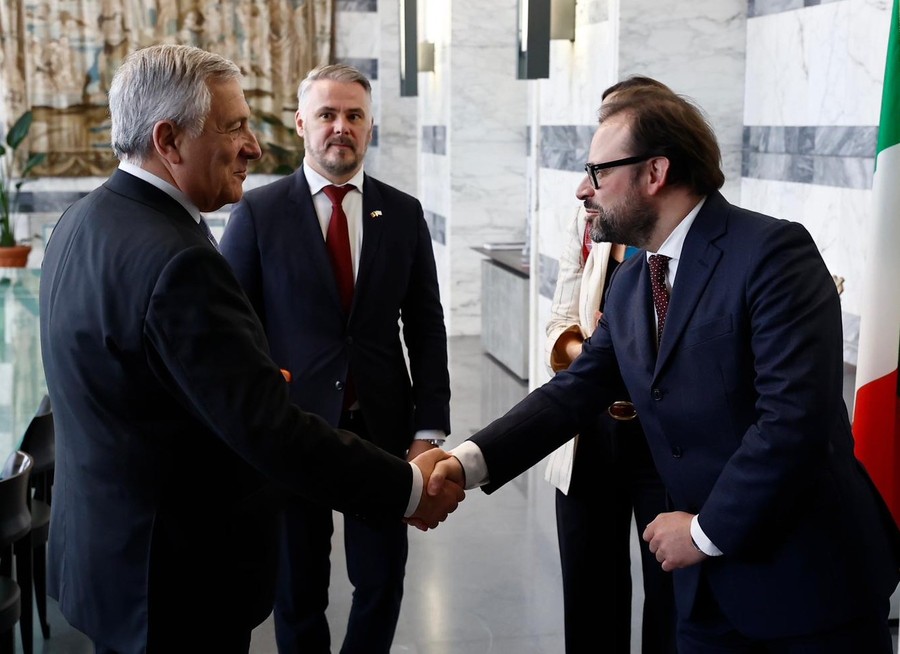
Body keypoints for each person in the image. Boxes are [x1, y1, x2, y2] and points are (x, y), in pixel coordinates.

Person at [428, 84, 900, 651]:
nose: (583, 189)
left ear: (655, 172)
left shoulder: (773, 253)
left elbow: (793, 421)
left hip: (805, 585)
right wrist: (465, 463)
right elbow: (574, 391)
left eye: (598, 171)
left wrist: (702, 533)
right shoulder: (632, 283)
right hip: (704, 599)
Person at [38, 44, 463, 654]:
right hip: (175, 581)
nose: (254, 147)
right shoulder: (179, 260)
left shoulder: (79, 221)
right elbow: (266, 426)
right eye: (234, 126)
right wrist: (410, 488)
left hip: (111, 564)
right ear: (169, 140)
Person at [219, 63, 450, 654]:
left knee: (381, 581)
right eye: (327, 114)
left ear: (370, 127)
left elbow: (426, 327)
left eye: (354, 115)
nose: (340, 127)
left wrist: (428, 430)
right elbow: (234, 330)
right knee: (298, 589)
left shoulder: (403, 214)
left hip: (382, 430)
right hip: (292, 429)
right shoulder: (258, 213)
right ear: (302, 123)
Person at [544, 78, 676, 654]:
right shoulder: (588, 218)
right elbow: (559, 321)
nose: (587, 186)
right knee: (589, 593)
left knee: (673, 601)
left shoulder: (684, 232)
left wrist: (630, 357)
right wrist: (597, 353)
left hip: (665, 439)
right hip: (589, 431)